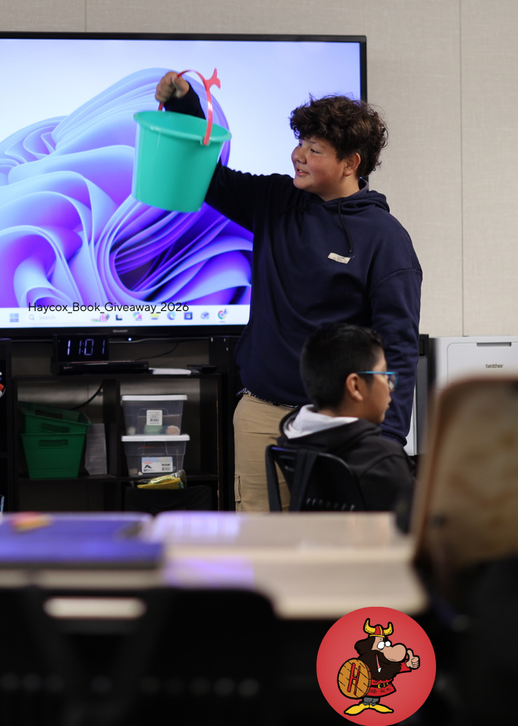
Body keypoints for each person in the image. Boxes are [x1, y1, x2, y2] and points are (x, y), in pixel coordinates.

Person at [155, 73, 421, 511]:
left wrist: (387, 438)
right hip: (261, 411)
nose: (298, 155)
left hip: (341, 422)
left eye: (315, 150)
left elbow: (399, 346)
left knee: (333, 554)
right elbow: (206, 178)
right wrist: (186, 105)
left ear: (351, 163)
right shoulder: (275, 199)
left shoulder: (385, 239)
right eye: (300, 143)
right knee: (260, 544)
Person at [276, 323, 414, 517]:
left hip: (318, 544)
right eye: (384, 375)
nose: (390, 387)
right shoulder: (383, 458)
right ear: (355, 386)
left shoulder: (290, 441)